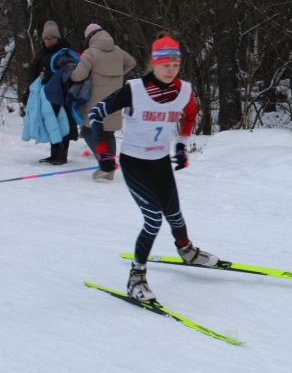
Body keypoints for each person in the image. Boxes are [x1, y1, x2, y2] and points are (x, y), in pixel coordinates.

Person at [87, 32, 219, 302]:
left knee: (174, 212)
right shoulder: (134, 89)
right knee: (153, 220)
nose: (171, 70)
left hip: (159, 161)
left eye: (175, 65)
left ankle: (185, 250)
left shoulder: (184, 90)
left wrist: (181, 146)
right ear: (154, 63)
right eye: (165, 65)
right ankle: (136, 277)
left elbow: (190, 114)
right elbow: (95, 115)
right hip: (135, 163)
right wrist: (103, 154)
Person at [71, 23, 136, 179]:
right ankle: (109, 168)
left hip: (95, 100)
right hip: (114, 99)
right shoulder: (118, 51)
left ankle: (104, 164)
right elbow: (132, 62)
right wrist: (118, 74)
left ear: (89, 38)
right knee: (108, 132)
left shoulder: (90, 53)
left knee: (88, 132)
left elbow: (77, 76)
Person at [22, 21, 77, 164]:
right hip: (46, 93)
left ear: (58, 38)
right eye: (46, 38)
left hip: (62, 93)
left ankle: (62, 156)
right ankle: (54, 154)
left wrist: (47, 76)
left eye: (52, 38)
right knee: (51, 122)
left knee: (62, 122)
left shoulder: (64, 52)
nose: (49, 41)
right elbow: (35, 73)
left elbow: (68, 73)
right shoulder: (43, 52)